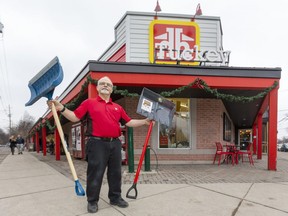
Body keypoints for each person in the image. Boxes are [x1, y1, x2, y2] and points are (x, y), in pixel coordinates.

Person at [48, 76, 152, 214]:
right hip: (96, 144)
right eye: (102, 84)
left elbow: (129, 122)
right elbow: (75, 117)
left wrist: (145, 121)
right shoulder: (89, 103)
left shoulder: (117, 107)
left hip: (115, 143)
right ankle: (92, 201)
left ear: (111, 89)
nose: (105, 86)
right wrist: (61, 107)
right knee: (95, 173)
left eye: (108, 84)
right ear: (97, 88)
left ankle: (115, 198)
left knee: (115, 173)